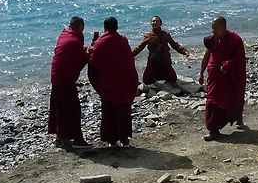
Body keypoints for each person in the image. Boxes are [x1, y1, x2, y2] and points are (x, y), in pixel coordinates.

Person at [88, 17, 139, 148]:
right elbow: (129, 59)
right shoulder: (123, 40)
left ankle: (112, 141)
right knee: (123, 111)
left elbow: (94, 62)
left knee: (109, 111)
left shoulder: (101, 42)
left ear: (105, 27)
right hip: (125, 82)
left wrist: (93, 44)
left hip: (109, 84)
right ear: (116, 27)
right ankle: (125, 139)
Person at [198, 17, 247, 141]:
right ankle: (214, 130)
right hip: (215, 74)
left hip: (229, 75)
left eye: (215, 28)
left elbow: (239, 60)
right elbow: (207, 55)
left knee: (233, 96)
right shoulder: (212, 40)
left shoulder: (235, 40)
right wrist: (201, 72)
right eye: (212, 28)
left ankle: (235, 117)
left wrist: (227, 65)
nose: (213, 31)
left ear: (223, 27)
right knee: (212, 100)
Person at [49, 16, 93, 149]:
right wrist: (88, 54)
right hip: (64, 80)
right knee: (73, 109)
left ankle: (61, 137)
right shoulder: (74, 40)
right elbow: (79, 60)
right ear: (80, 27)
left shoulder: (64, 34)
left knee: (61, 109)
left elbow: (75, 53)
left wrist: (84, 51)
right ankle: (77, 140)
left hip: (57, 77)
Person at [131, 16, 189, 86]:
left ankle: (161, 76)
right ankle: (156, 76)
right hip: (153, 63)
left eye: (157, 21)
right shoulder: (148, 36)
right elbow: (139, 47)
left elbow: (174, 45)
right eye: (153, 21)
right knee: (147, 81)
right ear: (151, 24)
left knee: (173, 79)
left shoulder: (165, 34)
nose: (155, 22)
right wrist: (130, 54)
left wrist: (184, 51)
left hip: (165, 62)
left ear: (160, 23)